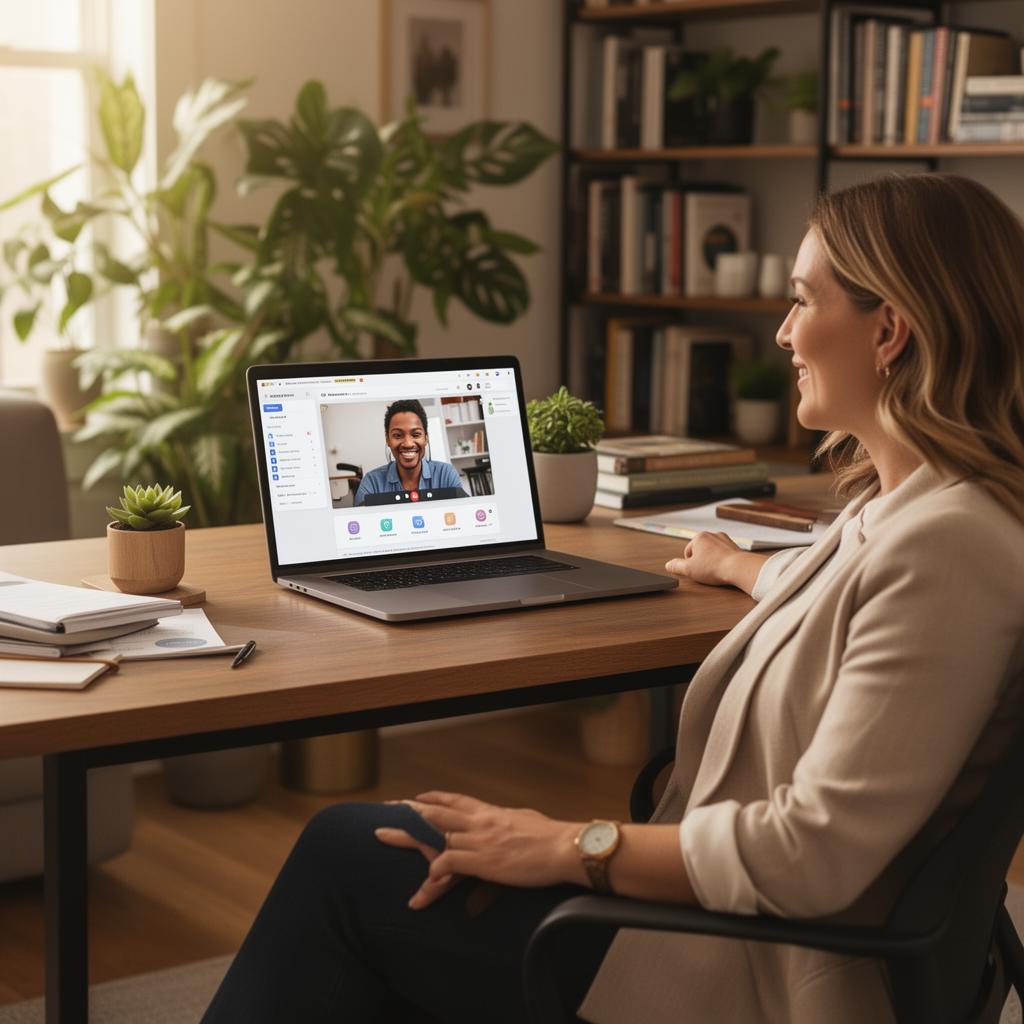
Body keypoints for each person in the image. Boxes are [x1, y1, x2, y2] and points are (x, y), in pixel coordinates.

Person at [202, 174, 1024, 1024]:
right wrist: (743, 567)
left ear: (889, 330)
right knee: (388, 867)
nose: (782, 332)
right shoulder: (919, 512)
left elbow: (808, 857)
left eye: (802, 302)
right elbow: (851, 598)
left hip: (751, 970)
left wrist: (565, 845)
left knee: (347, 857)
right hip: (733, 926)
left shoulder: (946, 547)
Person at [353, 398, 467, 505]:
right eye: (397, 435)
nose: (408, 443)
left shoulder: (446, 474)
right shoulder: (372, 483)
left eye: (416, 434)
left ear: (426, 437)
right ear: (387, 439)